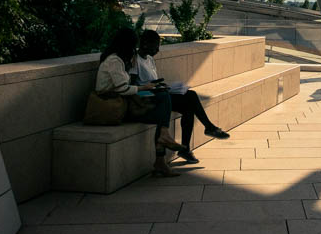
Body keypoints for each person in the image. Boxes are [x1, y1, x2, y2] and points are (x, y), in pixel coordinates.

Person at [131, 30, 230, 167]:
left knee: (189, 104)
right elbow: (133, 86)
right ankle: (208, 128)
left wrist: (160, 85)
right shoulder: (135, 60)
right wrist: (152, 87)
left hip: (159, 94)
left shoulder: (149, 59)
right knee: (191, 97)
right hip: (149, 98)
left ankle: (188, 147)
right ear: (146, 44)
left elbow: (153, 80)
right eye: (155, 46)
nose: (157, 50)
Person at [96, 27, 182, 177]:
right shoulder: (114, 61)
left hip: (123, 104)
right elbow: (123, 88)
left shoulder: (120, 59)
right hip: (113, 108)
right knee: (163, 104)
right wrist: (145, 87)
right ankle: (161, 154)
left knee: (162, 113)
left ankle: (161, 153)